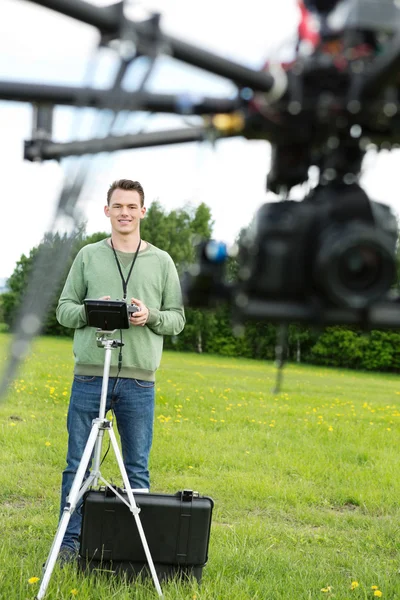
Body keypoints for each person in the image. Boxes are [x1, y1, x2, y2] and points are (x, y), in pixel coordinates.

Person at [56, 178, 185, 558]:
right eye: (118, 206)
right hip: (89, 376)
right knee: (76, 465)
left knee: (136, 470)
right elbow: (64, 311)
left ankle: (132, 548)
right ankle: (69, 543)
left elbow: (177, 319)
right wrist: (93, 311)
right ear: (107, 210)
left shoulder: (161, 261)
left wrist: (152, 316)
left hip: (139, 383)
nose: (125, 213)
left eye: (132, 206)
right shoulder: (87, 256)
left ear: (143, 212)